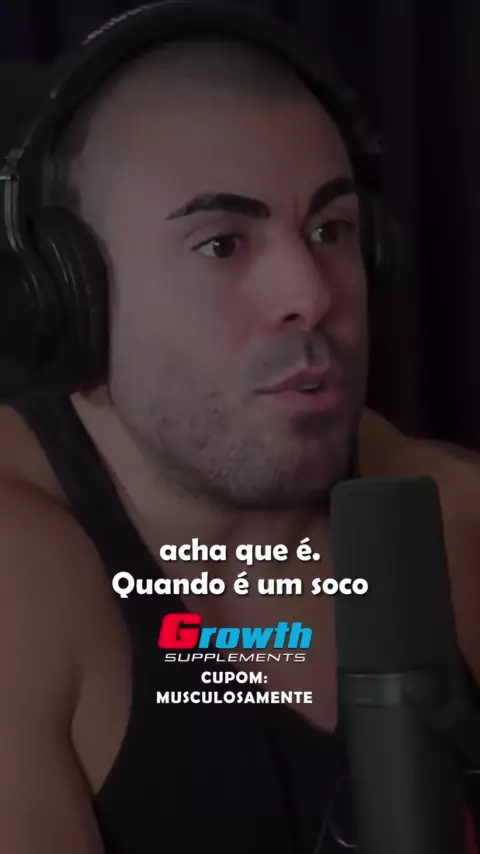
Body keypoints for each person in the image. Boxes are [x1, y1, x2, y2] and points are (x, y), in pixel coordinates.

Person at [0, 4, 479, 852]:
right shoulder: (18, 580)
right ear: (71, 296)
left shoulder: (455, 516)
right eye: (222, 245)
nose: (313, 293)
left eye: (331, 229)